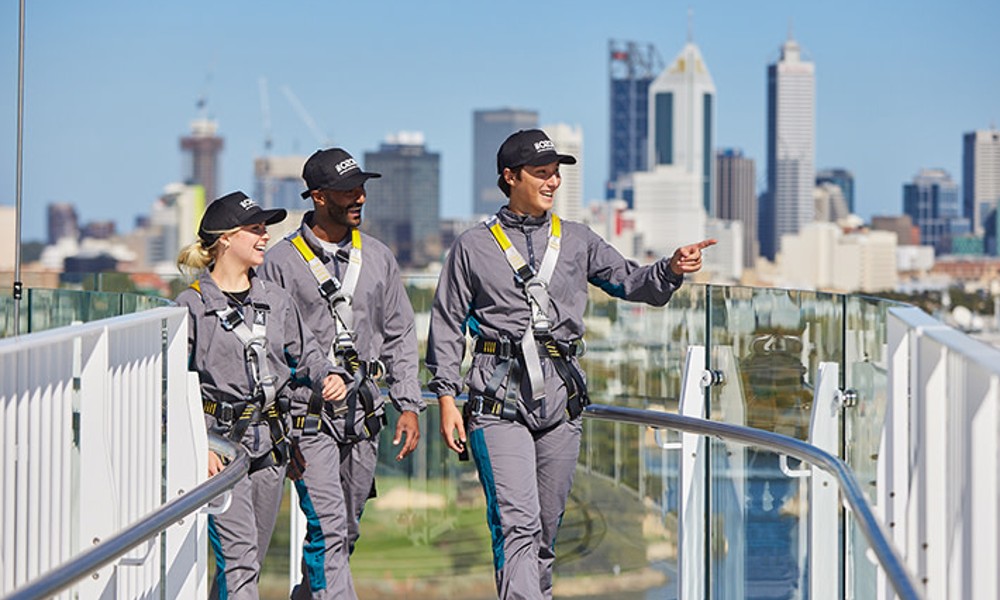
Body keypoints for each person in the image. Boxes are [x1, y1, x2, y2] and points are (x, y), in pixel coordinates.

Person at [426, 129, 716, 599]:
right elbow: (445, 324)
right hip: (497, 403)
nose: (553, 182)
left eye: (556, 173)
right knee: (516, 525)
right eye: (541, 173)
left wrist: (670, 269)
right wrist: (445, 397)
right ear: (509, 177)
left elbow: (630, 281)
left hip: (561, 404)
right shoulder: (472, 247)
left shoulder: (578, 240)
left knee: (542, 530)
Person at [260, 148, 425, 600]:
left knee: (345, 530)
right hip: (308, 419)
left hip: (365, 415)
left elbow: (400, 334)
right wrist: (281, 428)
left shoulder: (378, 257)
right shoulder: (279, 263)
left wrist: (408, 403)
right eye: (347, 191)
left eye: (362, 188)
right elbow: (271, 351)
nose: (359, 198)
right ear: (317, 197)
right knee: (328, 527)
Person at [175, 191, 347, 600]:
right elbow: (172, 386)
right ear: (226, 239)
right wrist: (199, 444)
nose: (265, 236)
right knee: (240, 558)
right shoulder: (192, 307)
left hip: (270, 448)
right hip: (222, 449)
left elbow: (307, 356)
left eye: (265, 228)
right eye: (255, 229)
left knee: (247, 560)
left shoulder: (275, 299)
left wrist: (329, 376)